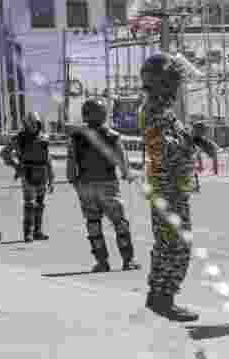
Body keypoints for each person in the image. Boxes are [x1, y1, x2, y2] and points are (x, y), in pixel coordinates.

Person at [140, 52, 218, 322]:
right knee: (176, 245)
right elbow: (163, 150)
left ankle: (158, 296)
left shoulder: (162, 111)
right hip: (167, 188)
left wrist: (197, 140)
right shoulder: (154, 112)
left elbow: (176, 140)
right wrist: (191, 141)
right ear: (162, 84)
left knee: (167, 243)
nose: (177, 88)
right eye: (173, 82)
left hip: (170, 187)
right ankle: (165, 299)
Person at [67, 98, 141, 273]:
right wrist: (127, 174)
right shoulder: (113, 136)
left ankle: (102, 262)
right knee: (120, 223)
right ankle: (128, 260)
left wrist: (73, 181)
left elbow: (71, 163)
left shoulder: (76, 137)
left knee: (93, 223)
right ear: (103, 115)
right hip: (107, 184)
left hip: (85, 185)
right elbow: (122, 161)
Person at [1, 112, 54, 242]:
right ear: (25, 124)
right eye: (30, 124)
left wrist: (51, 178)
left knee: (40, 204)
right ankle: (28, 233)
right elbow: (5, 152)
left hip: (42, 173)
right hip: (27, 172)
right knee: (30, 204)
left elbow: (48, 159)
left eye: (35, 123)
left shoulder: (44, 138)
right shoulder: (20, 138)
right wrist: (15, 165)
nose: (33, 126)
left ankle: (38, 231)